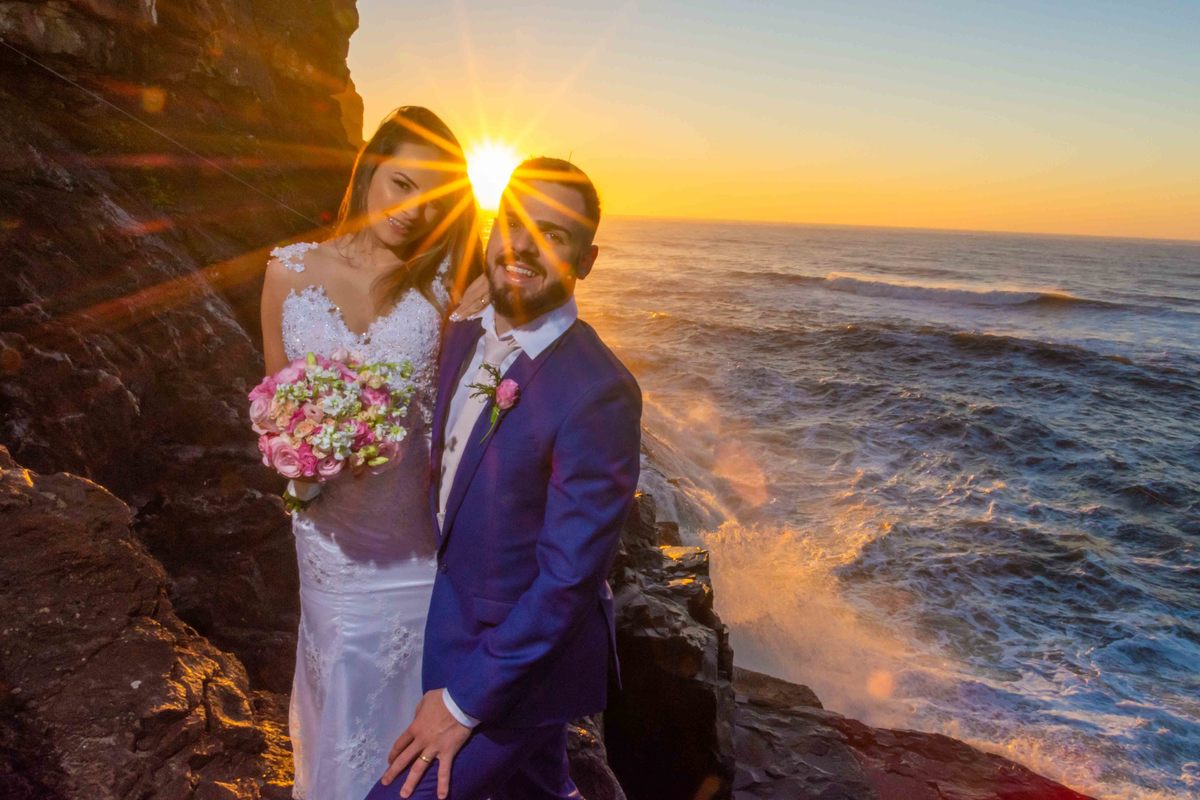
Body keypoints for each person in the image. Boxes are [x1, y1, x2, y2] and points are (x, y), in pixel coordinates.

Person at [365, 158, 642, 800]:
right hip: (449, 623)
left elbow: (569, 579)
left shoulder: (599, 392)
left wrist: (461, 704)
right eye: (513, 223)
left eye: (554, 235)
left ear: (588, 260)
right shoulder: (462, 336)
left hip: (515, 669)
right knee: (544, 788)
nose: (522, 244)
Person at [258, 105, 485, 800]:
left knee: (409, 734)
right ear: (369, 171)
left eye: (433, 199)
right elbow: (271, 408)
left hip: (415, 548)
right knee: (341, 710)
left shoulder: (449, 283)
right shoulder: (286, 270)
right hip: (327, 544)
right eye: (400, 184)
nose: (412, 211)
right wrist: (302, 453)